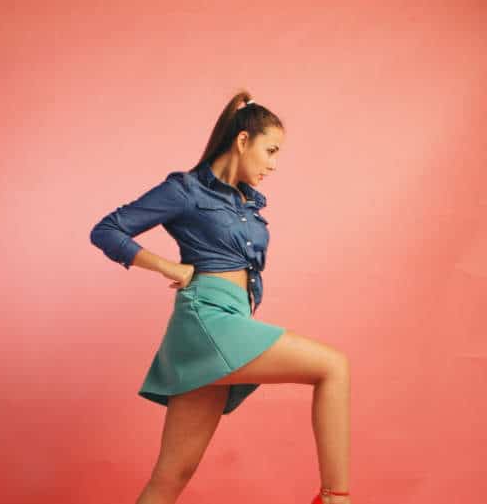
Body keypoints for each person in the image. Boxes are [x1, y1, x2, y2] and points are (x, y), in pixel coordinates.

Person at [90, 91, 352, 504]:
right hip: (207, 318)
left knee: (171, 476)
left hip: (230, 319)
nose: (274, 164)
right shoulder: (186, 190)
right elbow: (107, 230)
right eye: (270, 151)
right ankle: (335, 498)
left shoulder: (245, 202)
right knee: (333, 366)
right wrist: (167, 266)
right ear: (243, 140)